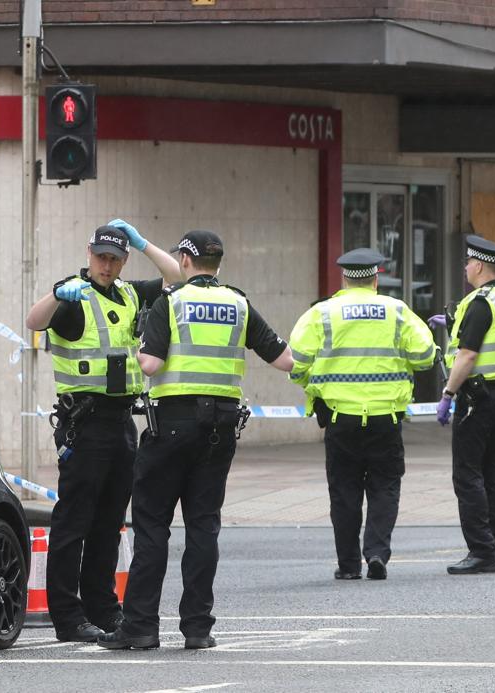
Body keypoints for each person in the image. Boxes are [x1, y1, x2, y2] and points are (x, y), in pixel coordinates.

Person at [99, 230, 294, 651]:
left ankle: (140, 627)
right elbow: (284, 360)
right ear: (217, 264)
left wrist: (134, 351)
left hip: (171, 426)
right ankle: (198, 628)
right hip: (220, 431)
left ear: (185, 261)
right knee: (203, 527)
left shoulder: (172, 301)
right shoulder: (239, 303)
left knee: (152, 526)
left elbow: (150, 364)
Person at [23, 219, 181, 643]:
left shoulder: (130, 294)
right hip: (85, 422)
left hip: (121, 422)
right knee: (75, 521)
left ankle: (104, 609)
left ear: (123, 260)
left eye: (114, 259)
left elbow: (176, 276)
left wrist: (145, 242)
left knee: (110, 523)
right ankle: (68, 617)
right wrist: (56, 294)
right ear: (88, 255)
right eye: (100, 258)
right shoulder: (74, 296)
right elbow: (33, 320)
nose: (106, 266)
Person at [288, 248, 437, 581]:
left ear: (344, 277)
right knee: (385, 486)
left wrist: (310, 386)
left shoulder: (322, 313)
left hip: (341, 418)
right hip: (387, 418)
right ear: (376, 278)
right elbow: (426, 356)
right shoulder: (397, 311)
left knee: (344, 491)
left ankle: (349, 565)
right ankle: (377, 553)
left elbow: (294, 362)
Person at [435, 234, 495, 575]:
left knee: (468, 475)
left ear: (480, 266)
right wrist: (454, 322)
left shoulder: (480, 302)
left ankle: (482, 552)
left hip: (477, 400)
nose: (466, 268)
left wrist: (447, 394)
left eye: (469, 263)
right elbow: (486, 336)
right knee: (491, 473)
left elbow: (468, 354)